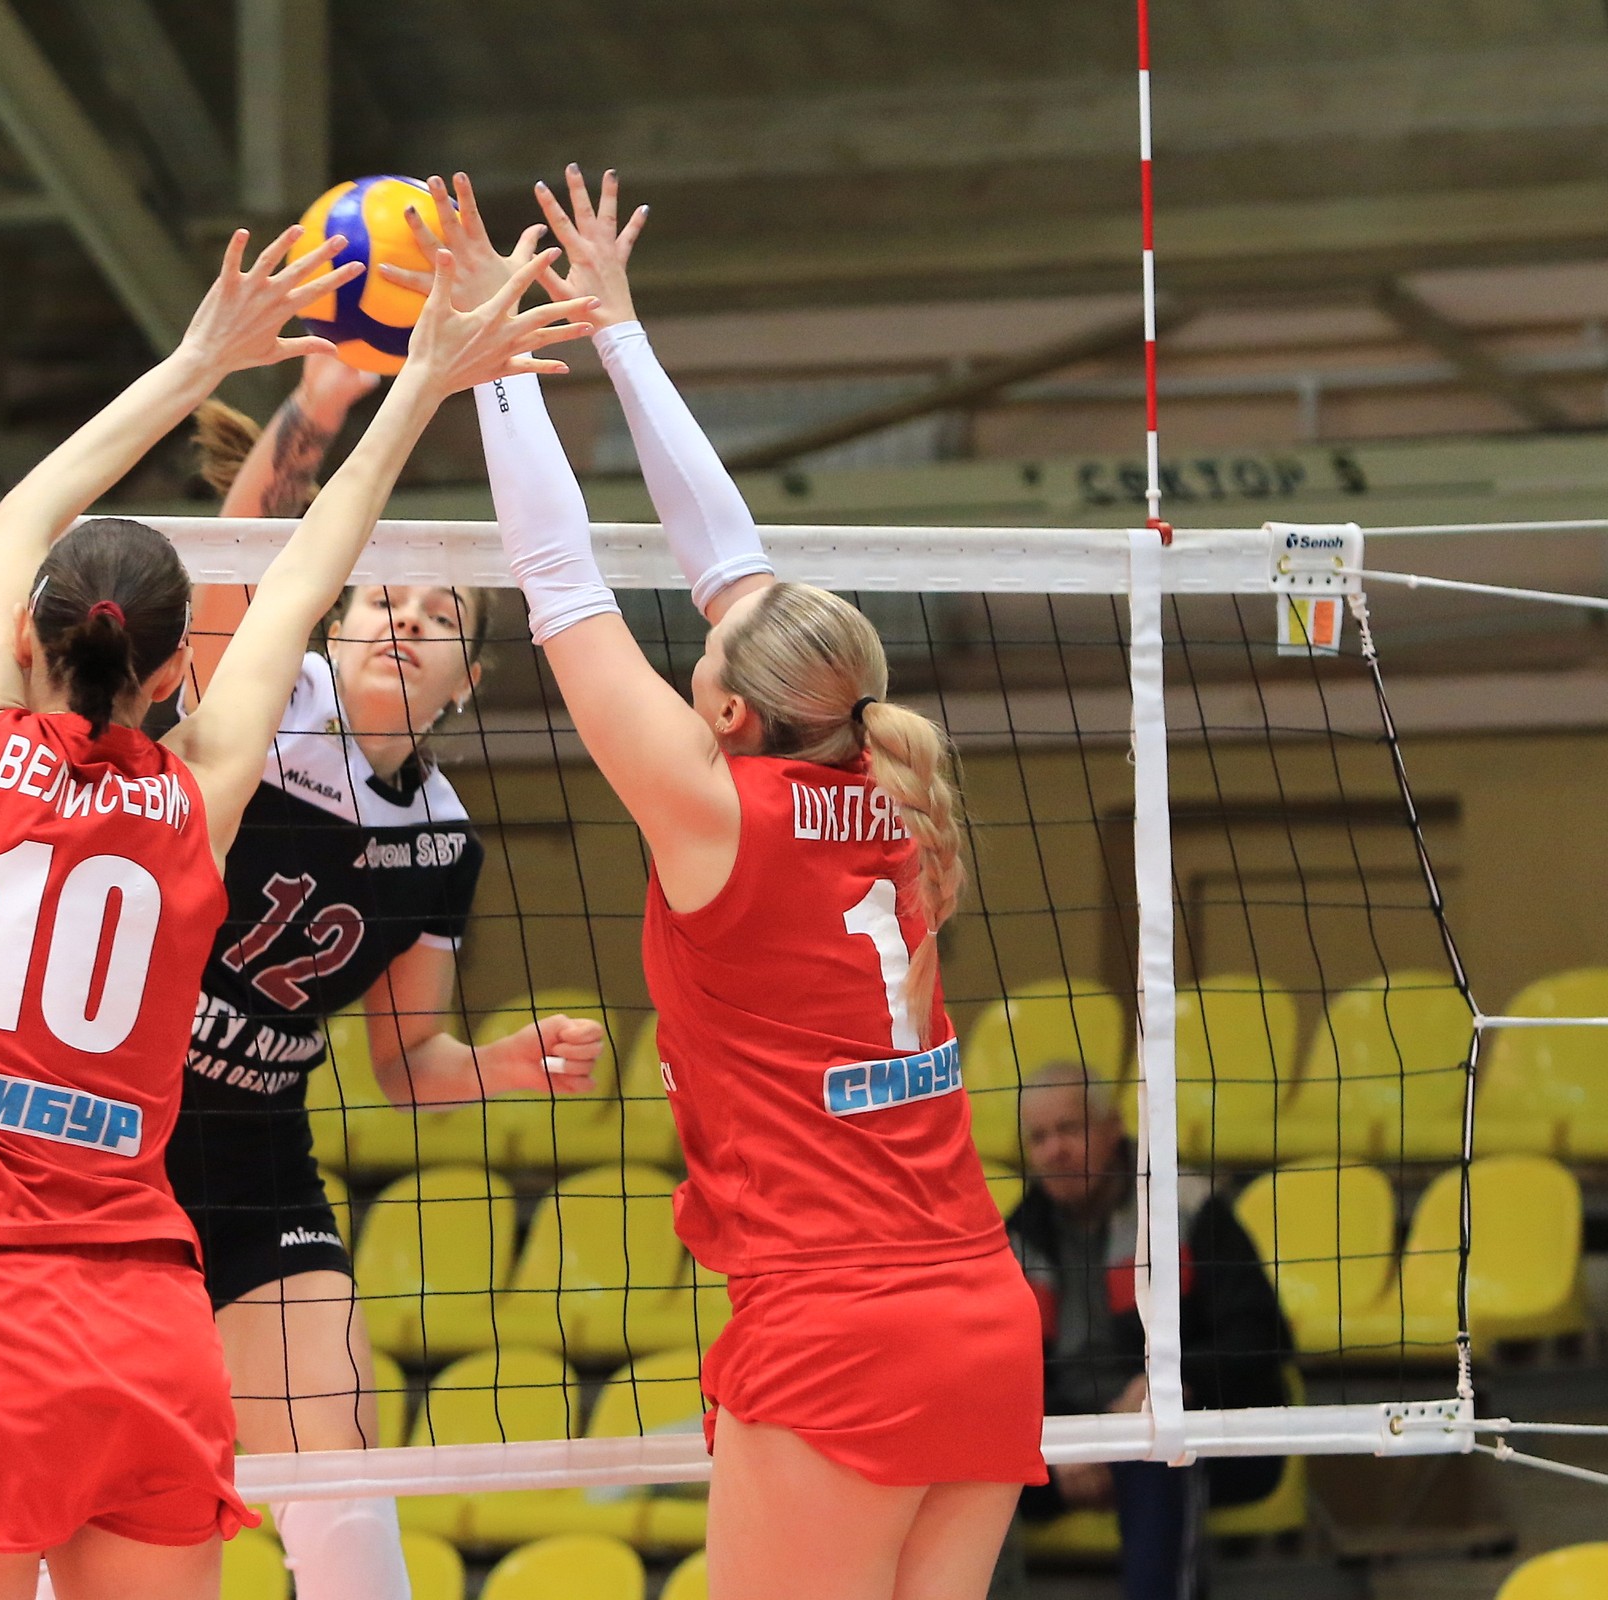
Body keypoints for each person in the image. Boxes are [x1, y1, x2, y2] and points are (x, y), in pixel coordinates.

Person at [0, 222, 591, 1600]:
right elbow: (306, 578)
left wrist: (197, 359)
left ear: (22, 637)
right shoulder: (200, 797)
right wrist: (424, 382)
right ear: (178, 666)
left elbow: (18, 517)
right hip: (145, 1316)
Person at [460, 164, 1045, 1599]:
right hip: (981, 1312)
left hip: (838, 1327)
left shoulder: (718, 814)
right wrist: (614, 329)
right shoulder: (889, 793)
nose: (700, 630)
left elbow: (559, 578)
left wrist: (493, 362)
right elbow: (731, 564)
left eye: (704, 654)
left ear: (727, 709)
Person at [168, 326, 607, 1600]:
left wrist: (506, 1066)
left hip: (261, 1155)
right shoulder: (270, 703)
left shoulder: (446, 841)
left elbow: (404, 1065)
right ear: (334, 624)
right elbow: (236, 563)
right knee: (123, 1480)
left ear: (468, 680)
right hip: (127, 1135)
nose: (404, 619)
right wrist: (318, 408)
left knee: (340, 1466)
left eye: (440, 613)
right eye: (380, 599)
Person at [1009, 1061, 1291, 1600]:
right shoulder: (1019, 1235)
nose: (1054, 1151)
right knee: (959, 1463)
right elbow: (1005, 1374)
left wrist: (1165, 1386)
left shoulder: (1187, 1207)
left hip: (1200, 1430)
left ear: (1112, 1128)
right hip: (1071, 1446)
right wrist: (1070, 1444)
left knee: (1154, 1450)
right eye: (1038, 1138)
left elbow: (1261, 1338)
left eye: (1069, 1129)